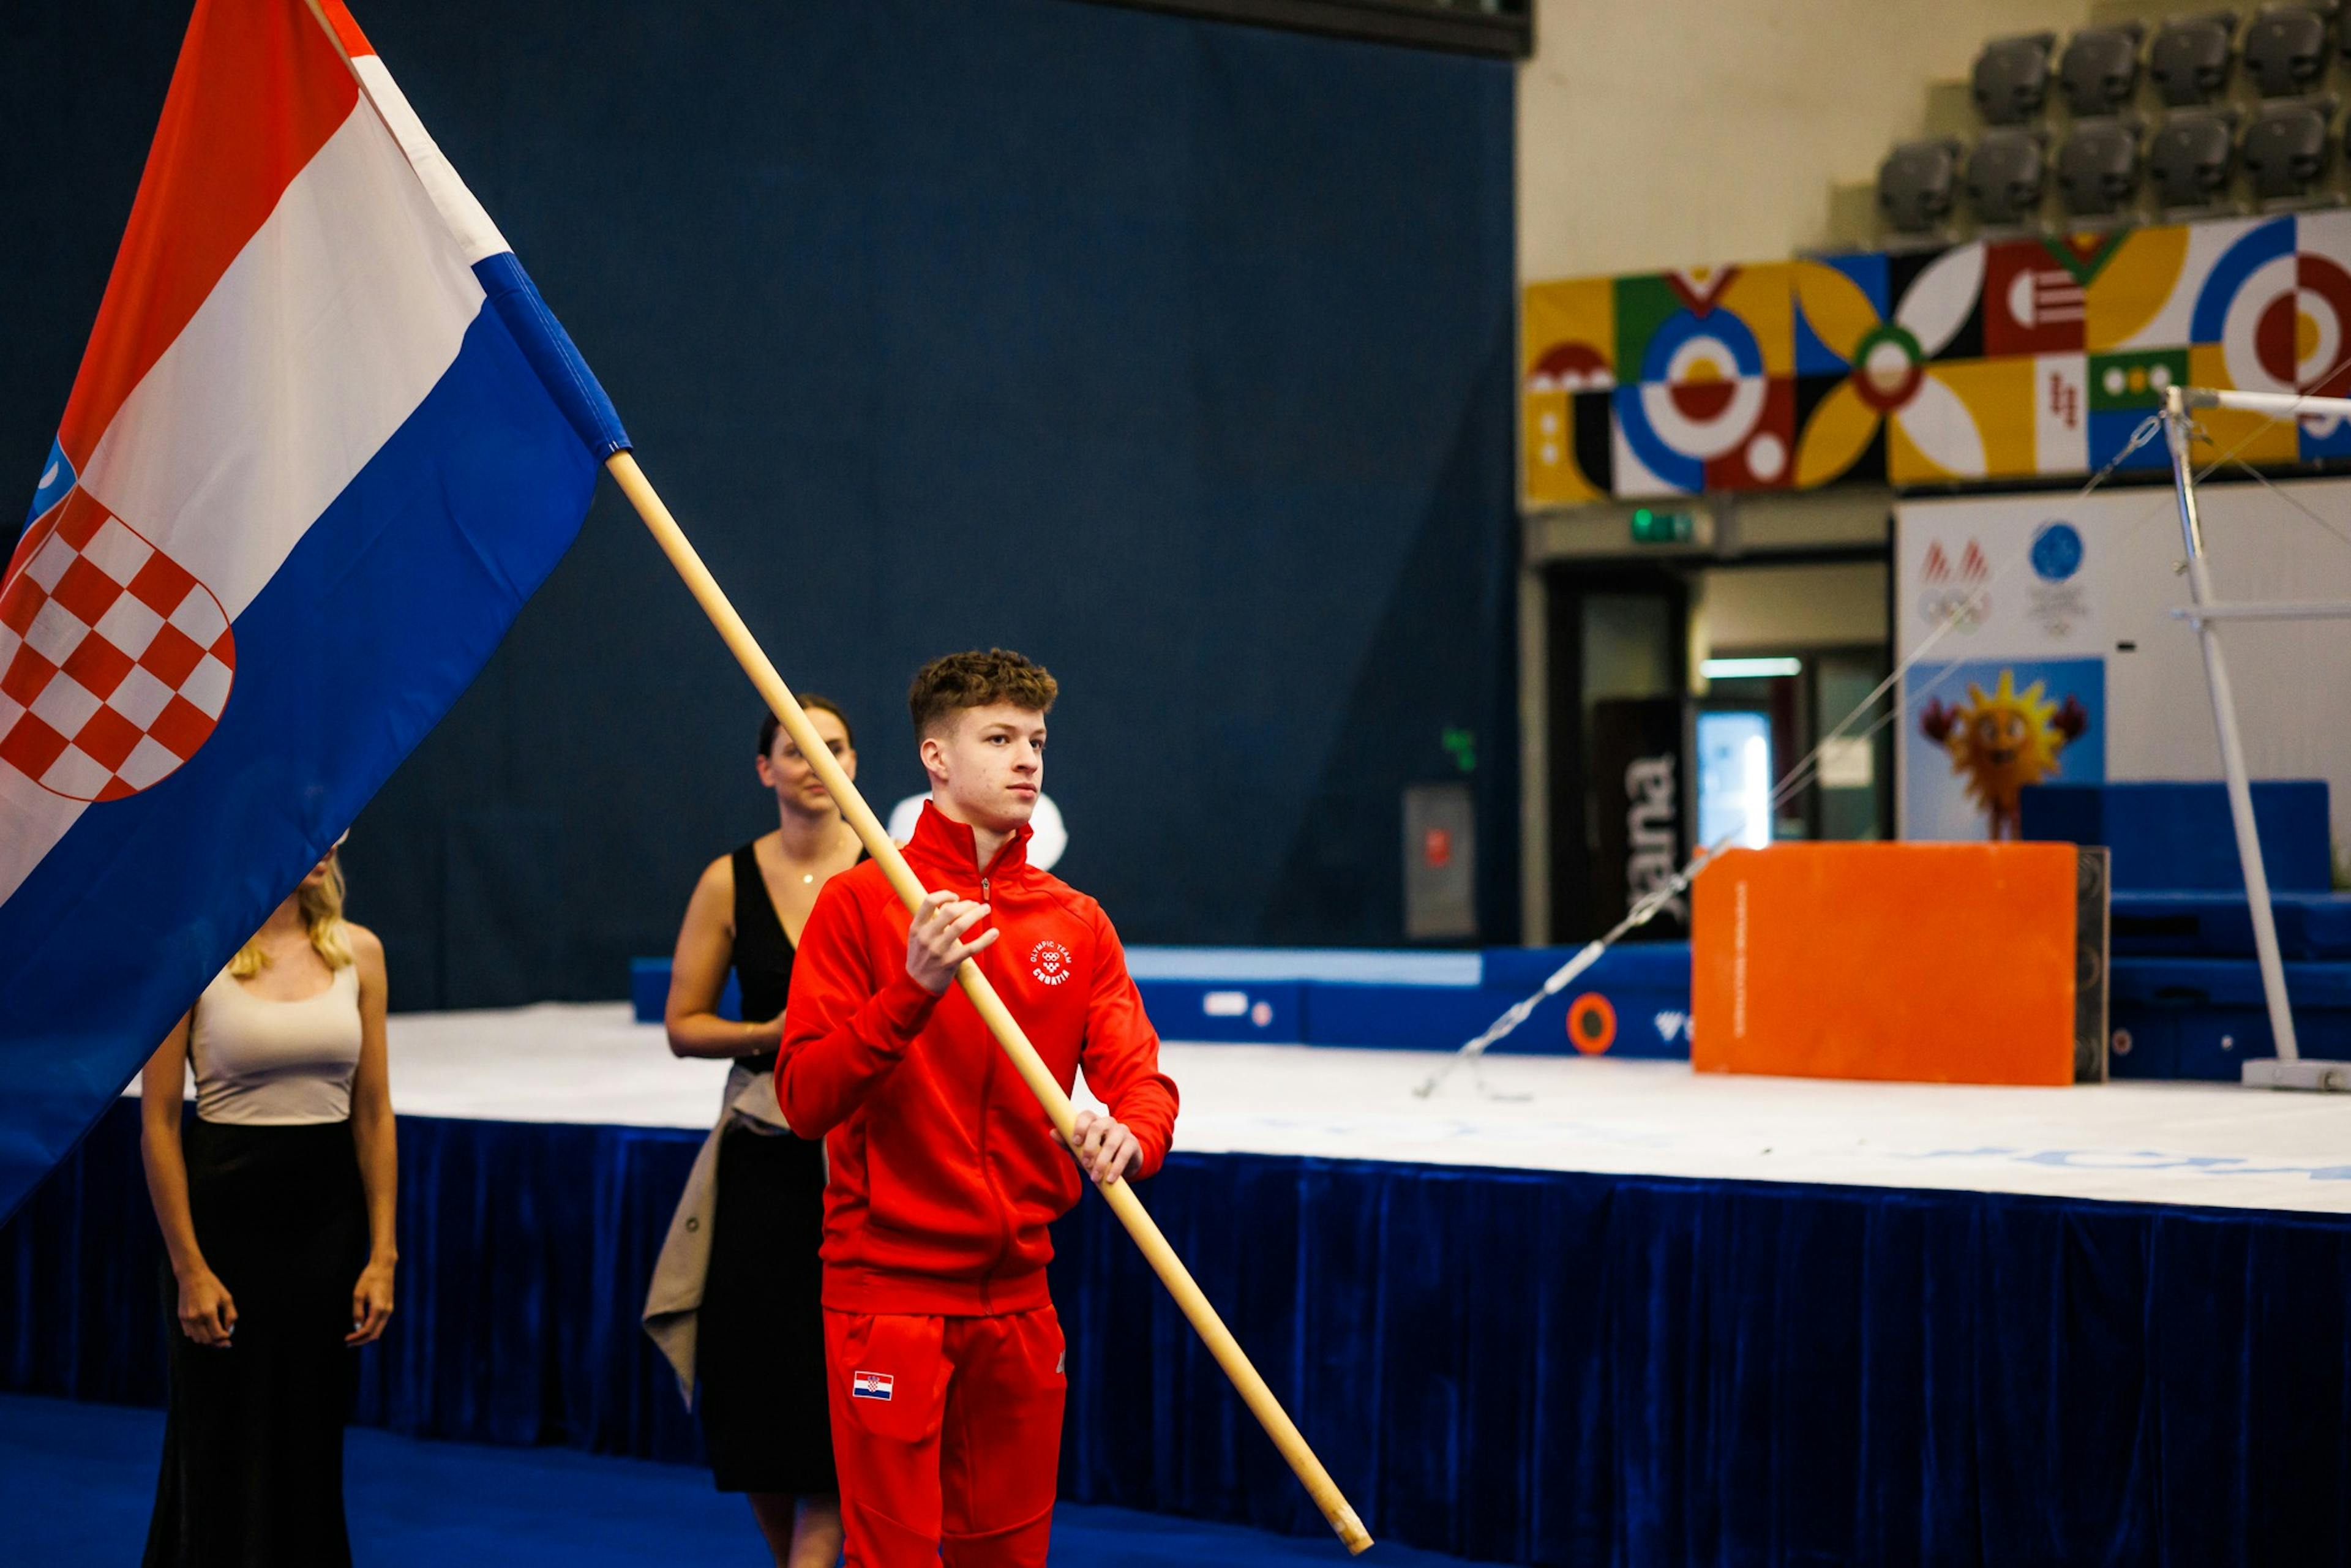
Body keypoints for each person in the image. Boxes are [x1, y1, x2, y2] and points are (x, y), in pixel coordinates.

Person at [779, 648, 1179, 1567]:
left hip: (1019, 1300)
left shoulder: (1076, 920)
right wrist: (912, 989)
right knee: (898, 1558)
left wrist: (1134, 1131)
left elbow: (1140, 1077)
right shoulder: (864, 906)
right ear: (936, 759)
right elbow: (805, 1100)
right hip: (889, 1296)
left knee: (1008, 1556)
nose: (1027, 759)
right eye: (998, 738)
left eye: (1035, 739)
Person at [643, 699, 863, 1567]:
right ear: (765, 769)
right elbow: (682, 1024)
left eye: (835, 745)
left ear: (857, 762)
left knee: (839, 1391)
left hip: (856, 1161)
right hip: (762, 1160)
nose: (818, 760)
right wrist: (775, 1036)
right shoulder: (727, 880)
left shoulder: (887, 873)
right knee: (760, 1400)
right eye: (796, 748)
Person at [138, 840, 394, 1568]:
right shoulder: (191, 949)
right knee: (218, 1437)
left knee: (312, 1436)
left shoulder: (360, 952)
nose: (328, 844)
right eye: (308, 828)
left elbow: (374, 1112)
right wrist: (189, 1268)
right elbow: (158, 1124)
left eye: (338, 830)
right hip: (223, 1225)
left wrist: (383, 1254)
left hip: (326, 1225)